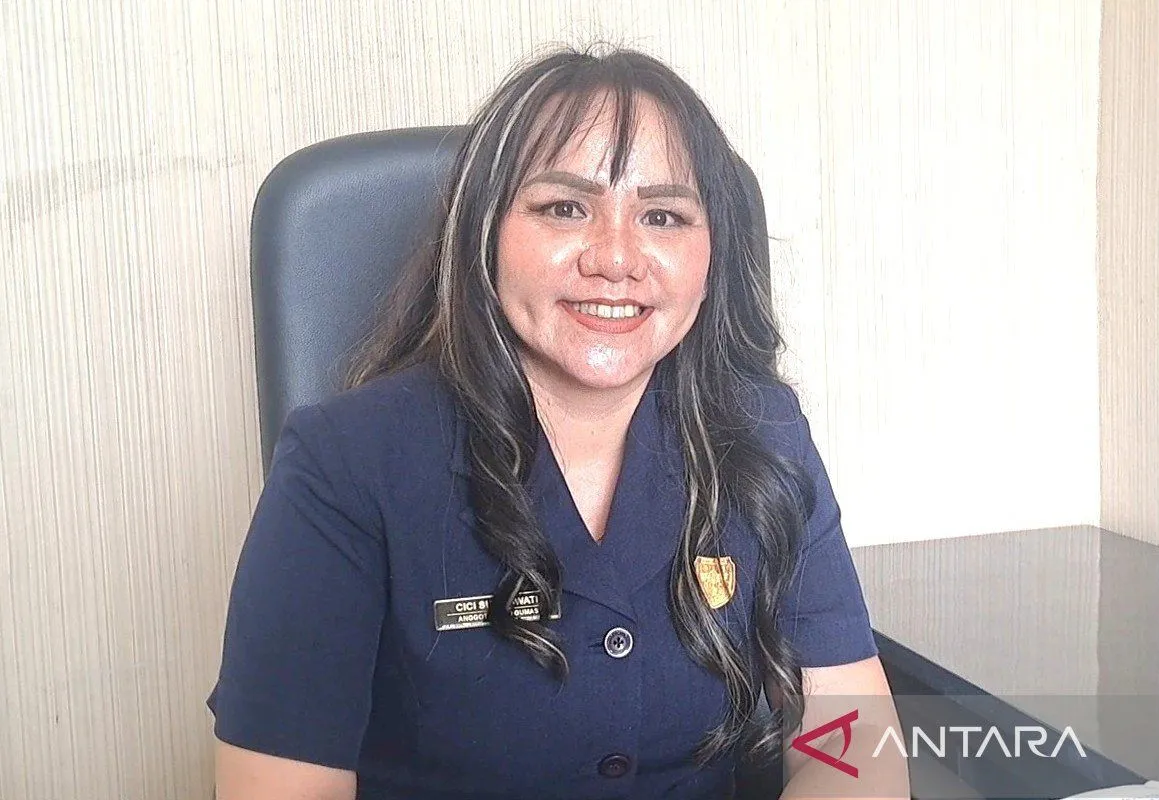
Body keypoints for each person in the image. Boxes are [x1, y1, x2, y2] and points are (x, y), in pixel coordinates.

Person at [209, 47, 908, 800]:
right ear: (485, 235)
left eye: (663, 216)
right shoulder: (345, 463)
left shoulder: (762, 433)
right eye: (564, 208)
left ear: (711, 259)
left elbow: (853, 744)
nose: (616, 258)